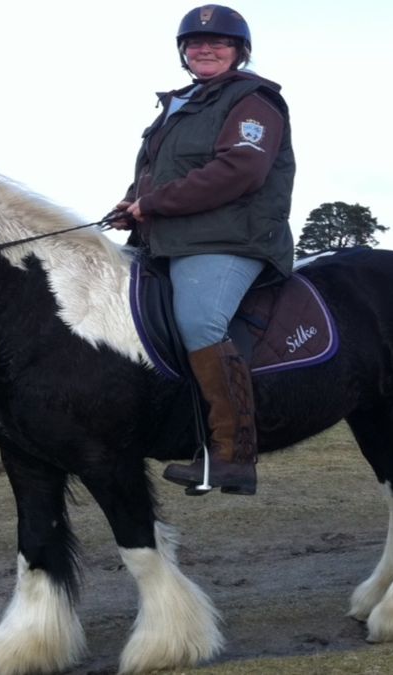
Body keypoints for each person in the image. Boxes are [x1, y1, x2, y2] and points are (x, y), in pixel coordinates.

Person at [112, 4, 295, 495]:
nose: (205, 49)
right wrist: (131, 201)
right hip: (167, 241)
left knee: (199, 320)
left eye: (218, 43)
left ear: (239, 52)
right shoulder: (178, 107)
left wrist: (153, 203)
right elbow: (160, 176)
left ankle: (234, 455)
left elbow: (241, 170)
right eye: (194, 44)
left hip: (231, 239)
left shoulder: (253, 101)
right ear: (183, 54)